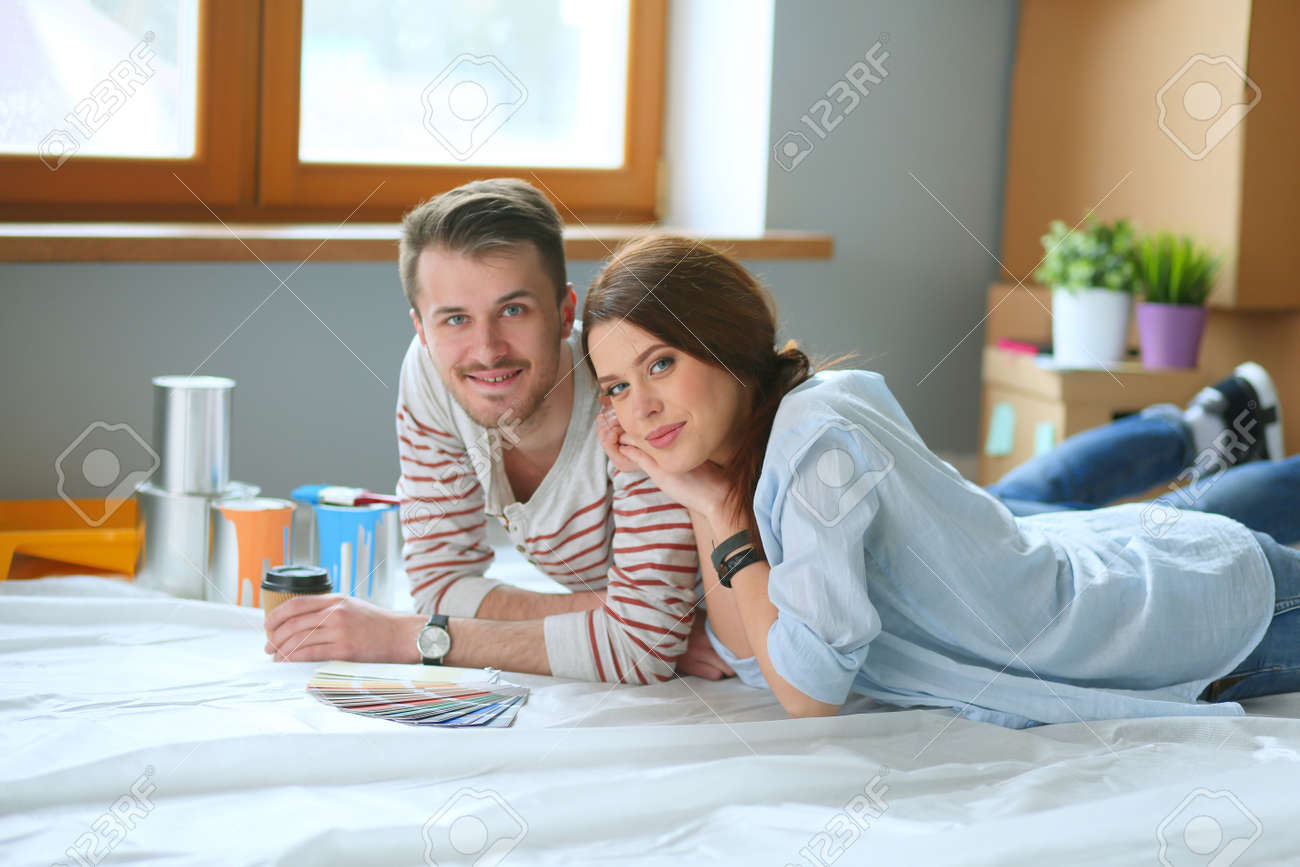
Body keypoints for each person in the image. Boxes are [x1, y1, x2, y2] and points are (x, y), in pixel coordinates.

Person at [583, 233, 1300, 726]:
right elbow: (752, 656)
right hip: (1150, 579)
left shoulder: (815, 445)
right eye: (614, 387)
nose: (638, 407)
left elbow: (806, 692)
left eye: (660, 363)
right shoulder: (771, 441)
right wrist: (708, 498)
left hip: (1201, 619)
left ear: (726, 342)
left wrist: (722, 513)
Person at [263, 180, 733, 682]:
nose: (486, 350)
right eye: (456, 320)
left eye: (513, 310)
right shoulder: (430, 374)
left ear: (564, 313)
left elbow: (642, 650)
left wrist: (404, 636)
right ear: (422, 331)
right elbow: (439, 585)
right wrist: (609, 619)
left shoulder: (628, 403)